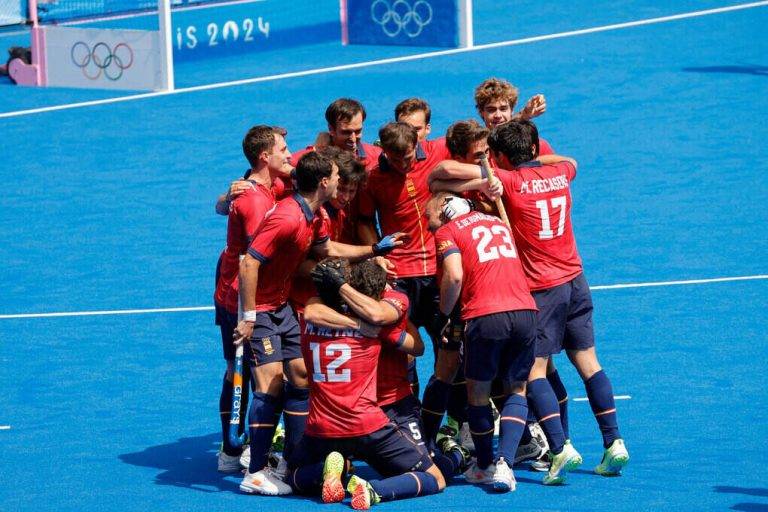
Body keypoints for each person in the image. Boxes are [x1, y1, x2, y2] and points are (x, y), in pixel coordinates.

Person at [428, 120, 630, 481]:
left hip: (540, 288)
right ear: (535, 149)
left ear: (500, 156)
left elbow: (440, 176)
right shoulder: (561, 173)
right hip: (576, 280)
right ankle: (613, 442)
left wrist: (484, 178)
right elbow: (571, 161)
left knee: (534, 372)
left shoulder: (509, 180)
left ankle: (560, 448)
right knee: (589, 363)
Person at [233, 151, 405, 495]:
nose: (342, 182)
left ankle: (292, 461)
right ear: (324, 182)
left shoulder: (317, 216)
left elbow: (328, 251)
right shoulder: (286, 217)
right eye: (337, 177)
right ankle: (255, 470)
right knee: (270, 385)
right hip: (261, 309)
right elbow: (248, 263)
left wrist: (374, 249)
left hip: (280, 305)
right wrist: (249, 317)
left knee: (300, 376)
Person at [287, 259, 445, 509]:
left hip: (322, 427)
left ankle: (329, 470)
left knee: (292, 475)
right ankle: (373, 490)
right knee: (435, 478)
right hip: (368, 423)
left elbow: (312, 310)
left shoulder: (312, 318)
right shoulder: (374, 320)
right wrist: (367, 326)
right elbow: (414, 345)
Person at [426, 191, 538, 492]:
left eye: (429, 216)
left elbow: (455, 276)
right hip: (525, 310)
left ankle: (486, 464)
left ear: (445, 209)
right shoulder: (497, 222)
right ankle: (507, 464)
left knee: (478, 391)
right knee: (517, 388)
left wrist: (442, 315)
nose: (428, 225)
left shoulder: (449, 231)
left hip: (485, 314)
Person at [213, 125, 291, 473]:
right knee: (253, 372)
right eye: (283, 149)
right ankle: (243, 452)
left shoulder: (269, 185)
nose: (289, 155)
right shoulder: (254, 200)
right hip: (242, 296)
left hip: (236, 290)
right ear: (264, 156)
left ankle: (234, 449)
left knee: (243, 369)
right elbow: (258, 258)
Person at [474, 77, 553, 154]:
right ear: (481, 112)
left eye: (503, 109)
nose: (498, 115)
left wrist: (524, 115)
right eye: (491, 110)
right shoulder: (476, 151)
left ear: (511, 110)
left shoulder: (536, 146)